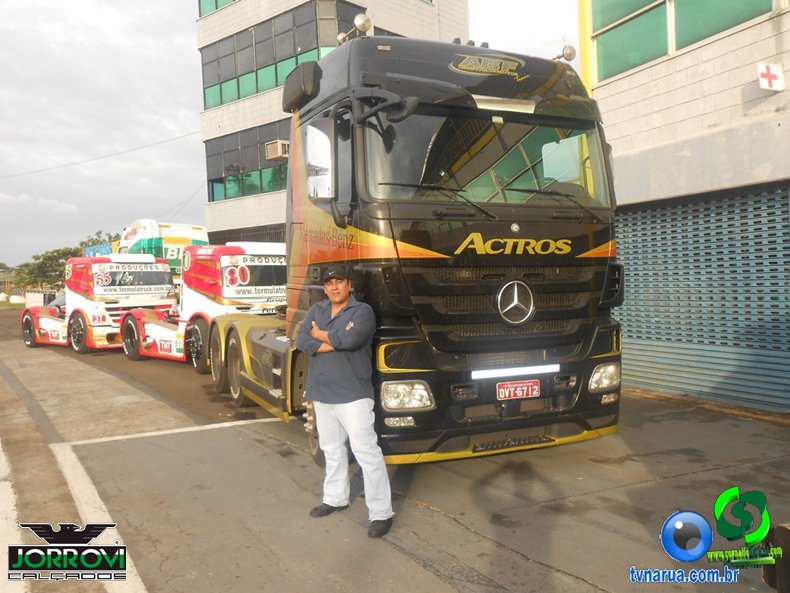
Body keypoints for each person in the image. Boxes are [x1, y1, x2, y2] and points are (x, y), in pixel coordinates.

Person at [295, 266, 394, 538]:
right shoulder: (317, 311)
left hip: (353, 394)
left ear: (349, 284)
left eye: (339, 282)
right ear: (325, 287)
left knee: (366, 452)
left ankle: (381, 513)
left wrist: (320, 335)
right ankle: (335, 498)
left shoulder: (362, 312)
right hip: (322, 391)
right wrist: (326, 339)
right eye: (329, 283)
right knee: (331, 448)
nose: (334, 287)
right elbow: (302, 339)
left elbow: (351, 340)